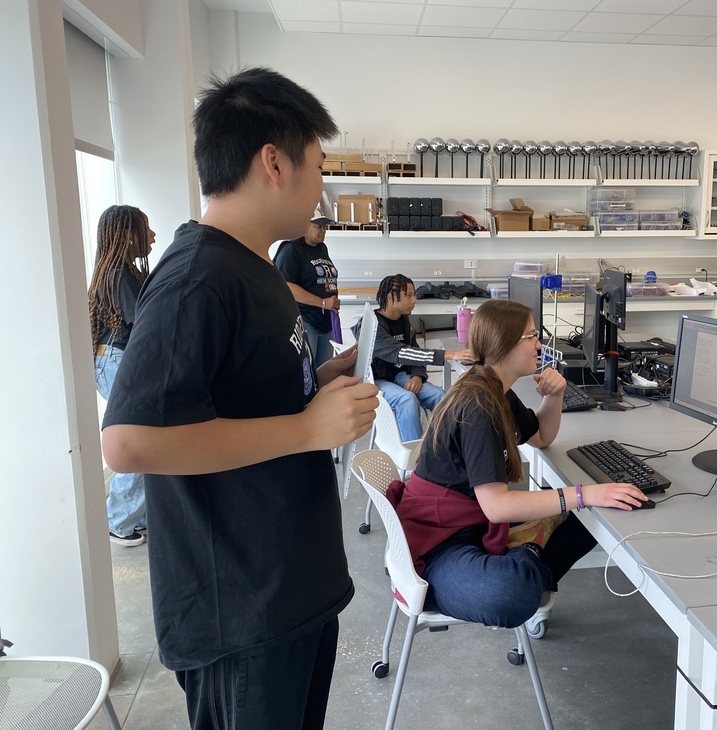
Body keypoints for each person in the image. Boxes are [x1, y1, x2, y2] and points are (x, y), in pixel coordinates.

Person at [100, 67, 379, 730]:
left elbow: (240, 395)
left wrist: (322, 383)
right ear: (274, 161)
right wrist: (308, 429)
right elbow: (129, 441)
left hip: (287, 587)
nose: (322, 189)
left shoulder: (252, 265)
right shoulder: (199, 276)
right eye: (318, 167)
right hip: (241, 606)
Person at [393, 299, 649, 628]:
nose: (539, 344)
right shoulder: (478, 406)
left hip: (473, 525)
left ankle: (527, 549)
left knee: (599, 519)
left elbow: (541, 436)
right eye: (531, 336)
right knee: (510, 593)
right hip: (441, 543)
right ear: (505, 344)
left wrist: (553, 396)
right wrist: (582, 494)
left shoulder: (495, 388)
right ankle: (529, 547)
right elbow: (498, 508)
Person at [88, 205, 154, 547]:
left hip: (114, 360)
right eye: (146, 228)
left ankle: (133, 515)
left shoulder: (121, 272)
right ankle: (118, 520)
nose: (153, 236)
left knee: (141, 439)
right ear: (129, 235)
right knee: (136, 441)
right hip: (116, 362)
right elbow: (145, 325)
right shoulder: (120, 276)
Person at [353, 274, 474, 442]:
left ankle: (447, 447)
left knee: (440, 395)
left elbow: (414, 350)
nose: (414, 300)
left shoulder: (404, 321)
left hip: (400, 376)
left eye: (414, 294)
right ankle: (414, 461)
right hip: (376, 381)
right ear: (390, 298)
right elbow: (401, 352)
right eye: (408, 295)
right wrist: (448, 354)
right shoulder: (371, 325)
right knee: (407, 399)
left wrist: (418, 375)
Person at [274, 214, 339, 367]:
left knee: (325, 371)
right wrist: (323, 302)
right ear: (304, 226)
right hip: (306, 320)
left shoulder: (322, 248)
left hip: (325, 321)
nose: (324, 230)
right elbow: (287, 286)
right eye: (319, 226)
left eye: (325, 226)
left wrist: (332, 300)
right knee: (307, 371)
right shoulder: (291, 250)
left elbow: (327, 278)